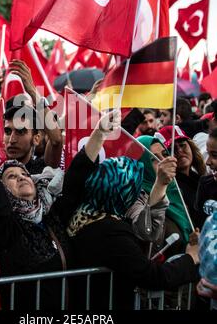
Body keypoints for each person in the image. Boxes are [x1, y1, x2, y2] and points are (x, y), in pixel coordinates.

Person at [65, 112, 199, 310]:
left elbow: (76, 175)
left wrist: (100, 133)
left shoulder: (80, 210)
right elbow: (152, 274)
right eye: (132, 183)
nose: (165, 160)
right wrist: (191, 258)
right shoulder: (111, 232)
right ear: (123, 194)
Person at [0, 129, 82, 310]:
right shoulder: (7, 226)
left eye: (25, 174)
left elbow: (76, 178)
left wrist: (99, 134)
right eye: (11, 176)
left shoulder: (49, 214)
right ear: (3, 190)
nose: (21, 177)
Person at [3, 60, 63, 173]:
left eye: (20, 132)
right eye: (7, 131)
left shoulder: (41, 169)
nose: (12, 140)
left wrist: (32, 90)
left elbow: (56, 141)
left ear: (36, 138)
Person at [155, 125, 206, 229]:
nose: (179, 151)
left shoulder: (201, 178)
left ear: (191, 146)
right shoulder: (169, 188)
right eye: (171, 148)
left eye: (182, 145)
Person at [194, 128, 217, 228]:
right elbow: (199, 225)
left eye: (215, 155)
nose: (208, 162)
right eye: (208, 154)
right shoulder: (205, 184)